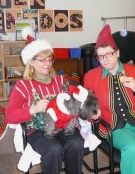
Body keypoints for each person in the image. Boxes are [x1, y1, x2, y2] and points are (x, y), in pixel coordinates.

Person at [84, 25, 135, 174]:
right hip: (114, 125)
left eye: (108, 54)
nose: (104, 60)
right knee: (133, 149)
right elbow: (88, 107)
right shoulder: (91, 77)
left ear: (117, 53)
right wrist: (93, 115)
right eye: (100, 56)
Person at [5, 39, 84, 174]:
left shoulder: (60, 80)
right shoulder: (22, 86)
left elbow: (75, 102)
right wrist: (33, 109)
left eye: (50, 59)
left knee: (76, 143)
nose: (47, 64)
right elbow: (10, 116)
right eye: (42, 60)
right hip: (37, 131)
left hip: (63, 126)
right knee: (53, 149)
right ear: (31, 62)